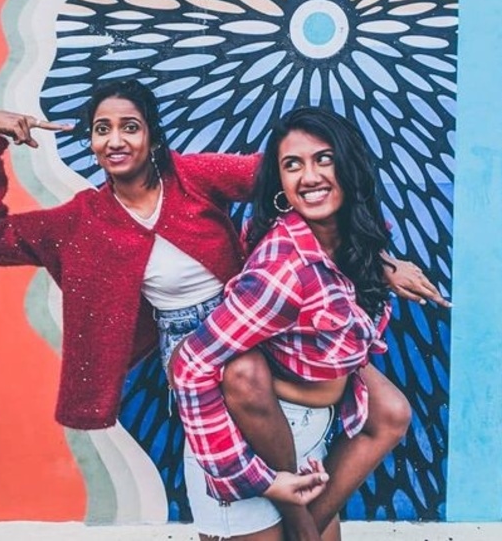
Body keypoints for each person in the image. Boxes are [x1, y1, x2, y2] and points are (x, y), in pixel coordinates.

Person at [0, 79, 448, 535]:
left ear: (153, 136)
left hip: (261, 315)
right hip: (194, 345)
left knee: (386, 409)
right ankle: (288, 515)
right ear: (89, 142)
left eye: (130, 127)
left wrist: (380, 261)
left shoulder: (189, 177)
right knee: (238, 467)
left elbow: (292, 175)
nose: (116, 140)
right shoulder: (84, 219)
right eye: (102, 129)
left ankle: (298, 516)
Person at [171, 106, 418, 540]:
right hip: (247, 451)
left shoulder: (351, 241)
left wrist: (382, 264)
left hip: (305, 445)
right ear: (281, 184)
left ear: (349, 165)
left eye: (324, 159)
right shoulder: (282, 270)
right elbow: (189, 365)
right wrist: (255, 478)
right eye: (292, 165)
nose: (310, 176)